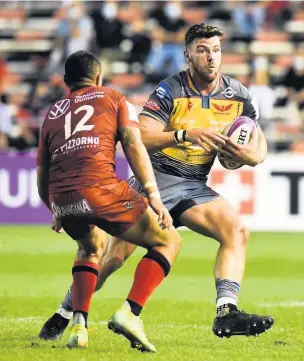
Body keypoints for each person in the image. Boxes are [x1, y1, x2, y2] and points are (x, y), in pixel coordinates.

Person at [39, 23, 274, 344]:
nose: (211, 58)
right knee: (111, 259)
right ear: (188, 55)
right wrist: (183, 134)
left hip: (193, 184)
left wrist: (248, 154)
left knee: (236, 232)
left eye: (216, 50)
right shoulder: (170, 90)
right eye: (202, 50)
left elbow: (259, 145)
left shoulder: (238, 96)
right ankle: (65, 312)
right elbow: (142, 137)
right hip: (159, 177)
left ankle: (226, 311)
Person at [36, 50, 181, 351]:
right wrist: (153, 196)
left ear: (66, 82)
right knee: (168, 241)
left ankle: (78, 324)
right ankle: (130, 313)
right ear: (99, 77)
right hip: (101, 189)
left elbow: (43, 171)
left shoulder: (52, 113)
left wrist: (55, 209)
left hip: (63, 198)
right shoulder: (113, 98)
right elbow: (133, 144)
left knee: (90, 249)